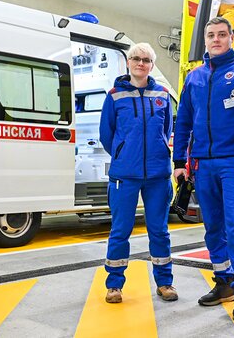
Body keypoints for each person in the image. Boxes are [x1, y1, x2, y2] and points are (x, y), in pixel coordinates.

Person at [173, 16, 234, 320]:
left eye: (222, 34)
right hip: (203, 165)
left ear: (230, 38)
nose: (216, 39)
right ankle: (224, 282)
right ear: (205, 39)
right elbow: (183, 121)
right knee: (213, 227)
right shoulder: (195, 77)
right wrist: (179, 162)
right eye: (211, 35)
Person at [99, 42, 176, 304]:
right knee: (120, 230)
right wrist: (123, 153)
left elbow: (166, 130)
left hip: (157, 175)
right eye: (136, 58)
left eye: (146, 60)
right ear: (128, 62)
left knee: (159, 231)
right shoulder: (114, 96)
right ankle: (114, 285)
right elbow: (107, 135)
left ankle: (165, 283)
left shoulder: (162, 95)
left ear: (152, 65)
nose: (141, 63)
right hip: (125, 175)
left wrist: (157, 152)